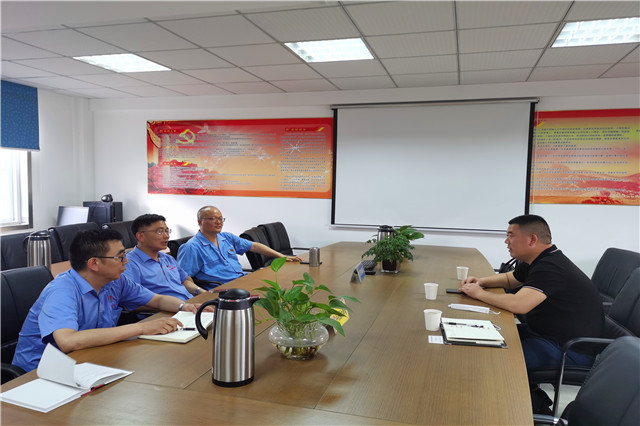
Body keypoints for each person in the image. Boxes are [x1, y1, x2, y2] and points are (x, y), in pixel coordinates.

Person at [13, 228, 207, 372]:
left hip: (89, 360)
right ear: (94, 263)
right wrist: (141, 328)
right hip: (42, 372)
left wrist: (185, 306)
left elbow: (156, 300)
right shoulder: (62, 291)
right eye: (120, 257)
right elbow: (68, 341)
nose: (126, 261)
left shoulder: (115, 281)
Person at [460, 214, 604, 370]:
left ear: (532, 239)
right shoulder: (539, 259)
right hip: (542, 334)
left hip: (567, 351)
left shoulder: (551, 267)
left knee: (491, 361)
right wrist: (481, 281)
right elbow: (510, 279)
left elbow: (518, 305)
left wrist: (479, 294)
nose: (506, 241)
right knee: (480, 339)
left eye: (511, 236)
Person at [177, 206, 301, 288]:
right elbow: (183, 278)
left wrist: (282, 256)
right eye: (213, 219)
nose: (219, 222)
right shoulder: (191, 247)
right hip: (224, 288)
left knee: (281, 284)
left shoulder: (226, 237)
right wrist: (200, 294)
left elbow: (254, 246)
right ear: (200, 222)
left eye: (221, 219)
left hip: (242, 280)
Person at [124, 213, 209, 300]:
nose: (167, 236)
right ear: (141, 236)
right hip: (168, 308)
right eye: (160, 231)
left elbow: (184, 280)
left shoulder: (167, 258)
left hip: (190, 303)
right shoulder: (129, 263)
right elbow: (132, 298)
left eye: (167, 231)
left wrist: (201, 292)